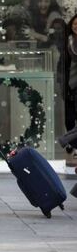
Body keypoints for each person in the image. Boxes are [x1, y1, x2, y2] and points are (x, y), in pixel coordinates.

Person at [58, 15, 77, 154]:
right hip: (70, 86)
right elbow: (62, 65)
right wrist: (61, 82)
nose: (76, 26)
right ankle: (70, 143)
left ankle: (68, 141)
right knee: (70, 119)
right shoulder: (67, 43)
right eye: (75, 24)